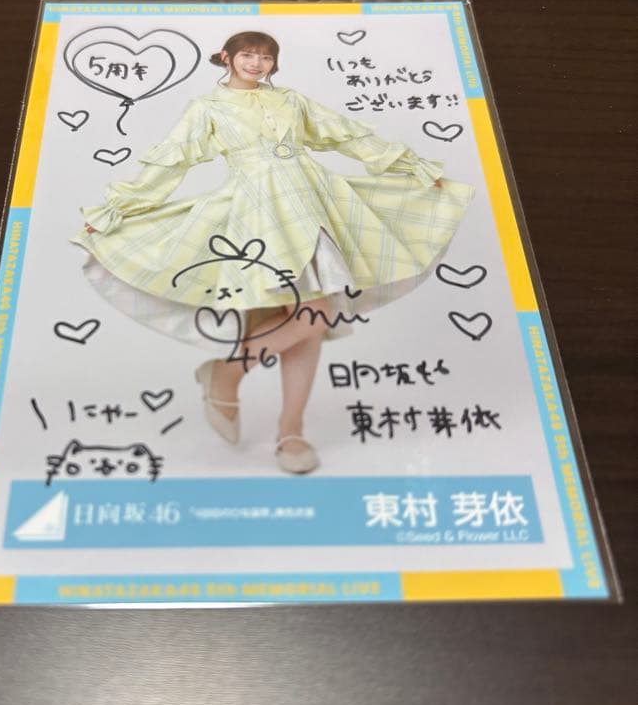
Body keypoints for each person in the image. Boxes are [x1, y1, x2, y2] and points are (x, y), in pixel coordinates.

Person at [72, 31, 474, 474]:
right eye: (247, 55)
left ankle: (287, 425)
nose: (256, 63)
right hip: (258, 209)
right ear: (226, 57)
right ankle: (235, 378)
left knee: (310, 320)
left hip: (314, 201)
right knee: (313, 313)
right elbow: (172, 160)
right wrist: (119, 209)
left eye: (265, 57)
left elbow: (347, 134)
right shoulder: (207, 107)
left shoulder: (291, 100)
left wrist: (410, 166)